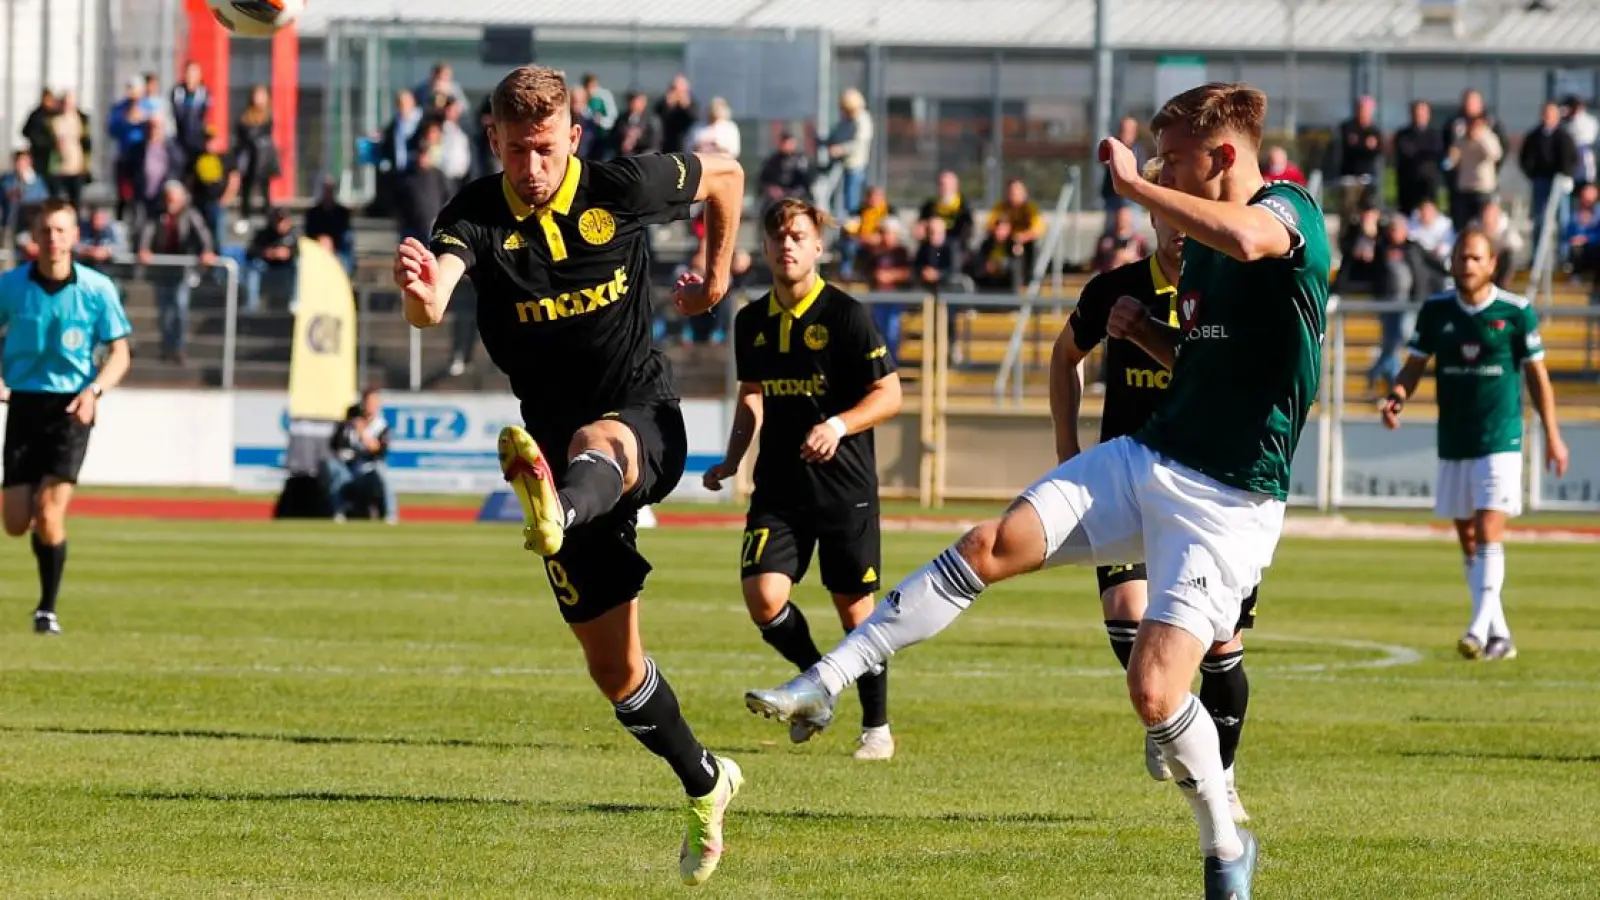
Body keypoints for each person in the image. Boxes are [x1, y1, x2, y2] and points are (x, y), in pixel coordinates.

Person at [746, 82, 1331, 900]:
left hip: (1229, 500)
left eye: (1173, 160)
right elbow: (1207, 367)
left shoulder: (1292, 213)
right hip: (1147, 456)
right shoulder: (1196, 253)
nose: (1161, 172)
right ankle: (825, 681)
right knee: (988, 544)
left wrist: (1133, 186)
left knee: (1156, 691)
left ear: (1223, 158)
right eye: (1155, 162)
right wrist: (1149, 335)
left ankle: (1224, 841)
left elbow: (1251, 236)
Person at [394, 65, 747, 887]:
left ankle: (557, 503)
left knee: (599, 437)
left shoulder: (622, 185)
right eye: (516, 150)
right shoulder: (474, 215)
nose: (531, 167)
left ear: (573, 140)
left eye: (546, 149)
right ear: (493, 141)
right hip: (554, 454)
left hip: (642, 420)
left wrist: (720, 276)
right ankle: (705, 780)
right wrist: (418, 296)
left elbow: (726, 177)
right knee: (615, 672)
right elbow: (434, 300)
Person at [1050, 158, 1253, 824]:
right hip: (1130, 486)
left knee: (1222, 646)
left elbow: (1228, 384)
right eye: (1168, 211)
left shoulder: (1234, 292)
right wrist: (1066, 450)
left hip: (1212, 493)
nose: (1180, 228)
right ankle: (1163, 705)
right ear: (1153, 213)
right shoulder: (1115, 289)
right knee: (1129, 612)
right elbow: (1064, 355)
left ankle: (1222, 776)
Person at [703, 198, 902, 761]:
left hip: (844, 486)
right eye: (777, 237)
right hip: (780, 486)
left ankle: (877, 729)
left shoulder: (846, 315)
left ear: (818, 246)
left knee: (855, 611)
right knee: (764, 597)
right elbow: (752, 398)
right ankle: (817, 685)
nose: (786, 245)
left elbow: (890, 394)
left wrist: (838, 424)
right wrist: (732, 458)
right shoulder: (751, 320)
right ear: (765, 248)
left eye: (797, 236)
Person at [1381, 228, 1568, 661]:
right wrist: (1398, 397)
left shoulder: (1516, 312)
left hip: (1501, 438)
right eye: (1462, 257)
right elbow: (1414, 365)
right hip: (1454, 439)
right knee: (1468, 535)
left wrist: (1554, 437)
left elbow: (1539, 380)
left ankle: (1477, 628)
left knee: (1487, 528)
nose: (1467, 265)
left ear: (1492, 264)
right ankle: (1499, 633)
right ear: (1452, 263)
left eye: (1476, 258)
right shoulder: (1436, 311)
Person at [0, 199, 132, 634]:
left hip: (72, 408)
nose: (53, 239)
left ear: (75, 236)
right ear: (33, 238)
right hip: (24, 404)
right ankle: (38, 521)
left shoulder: (97, 289)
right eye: (46, 231)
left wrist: (95, 390)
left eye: (61, 230)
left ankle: (46, 609)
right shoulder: (11, 286)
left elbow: (120, 352)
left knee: (50, 512)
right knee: (17, 523)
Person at [322, 389, 397, 524]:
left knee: (383, 472)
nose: (371, 406)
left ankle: (390, 514)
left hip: (368, 468)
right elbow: (336, 445)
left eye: (374, 403)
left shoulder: (381, 426)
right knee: (333, 467)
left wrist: (363, 433)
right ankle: (338, 511)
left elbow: (379, 451)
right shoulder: (349, 423)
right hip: (348, 466)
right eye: (369, 402)